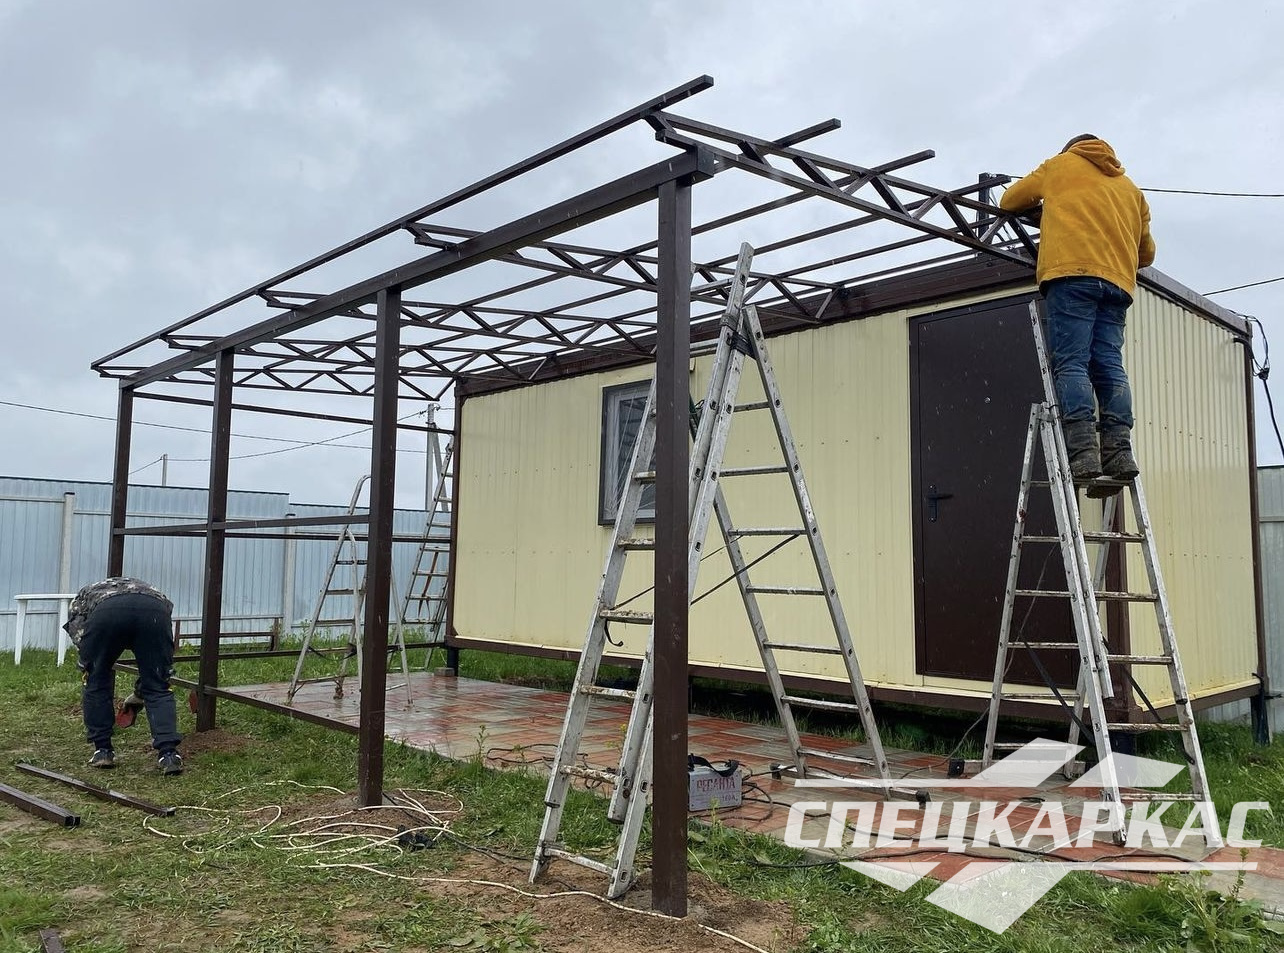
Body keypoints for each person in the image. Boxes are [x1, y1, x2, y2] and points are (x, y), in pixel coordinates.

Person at [1000, 133, 1156, 481]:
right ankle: (1119, 451)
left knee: (1072, 363)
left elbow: (1009, 201)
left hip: (1071, 276)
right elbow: (1146, 254)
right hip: (1117, 285)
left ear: (1070, 150)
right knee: (1110, 365)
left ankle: (1084, 452)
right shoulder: (1131, 190)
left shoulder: (1059, 166)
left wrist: (1051, 207)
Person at [63, 577, 184, 775]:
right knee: (158, 685)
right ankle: (169, 754)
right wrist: (143, 689)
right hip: (155, 612)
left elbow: (83, 644)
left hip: (107, 614)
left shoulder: (81, 601)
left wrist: (93, 665)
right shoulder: (150, 591)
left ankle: (103, 751)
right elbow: (157, 659)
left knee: (95, 680)